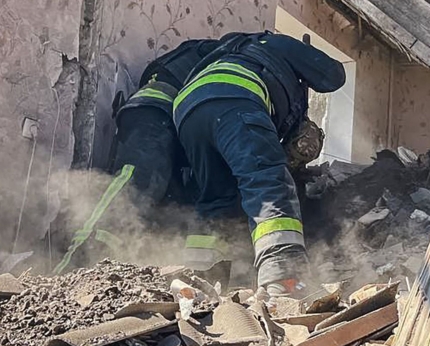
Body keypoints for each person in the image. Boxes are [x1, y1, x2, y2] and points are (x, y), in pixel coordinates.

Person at [173, 31, 345, 296]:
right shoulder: (274, 42)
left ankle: (201, 280)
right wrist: (303, 58)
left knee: (217, 197)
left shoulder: (225, 53)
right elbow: (333, 76)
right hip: (237, 99)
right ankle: (285, 277)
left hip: (187, 110)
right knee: (266, 181)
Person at [57, 38, 223, 273]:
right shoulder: (239, 53)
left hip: (189, 135)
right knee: (133, 187)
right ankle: (73, 271)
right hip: (157, 111)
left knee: (181, 212)